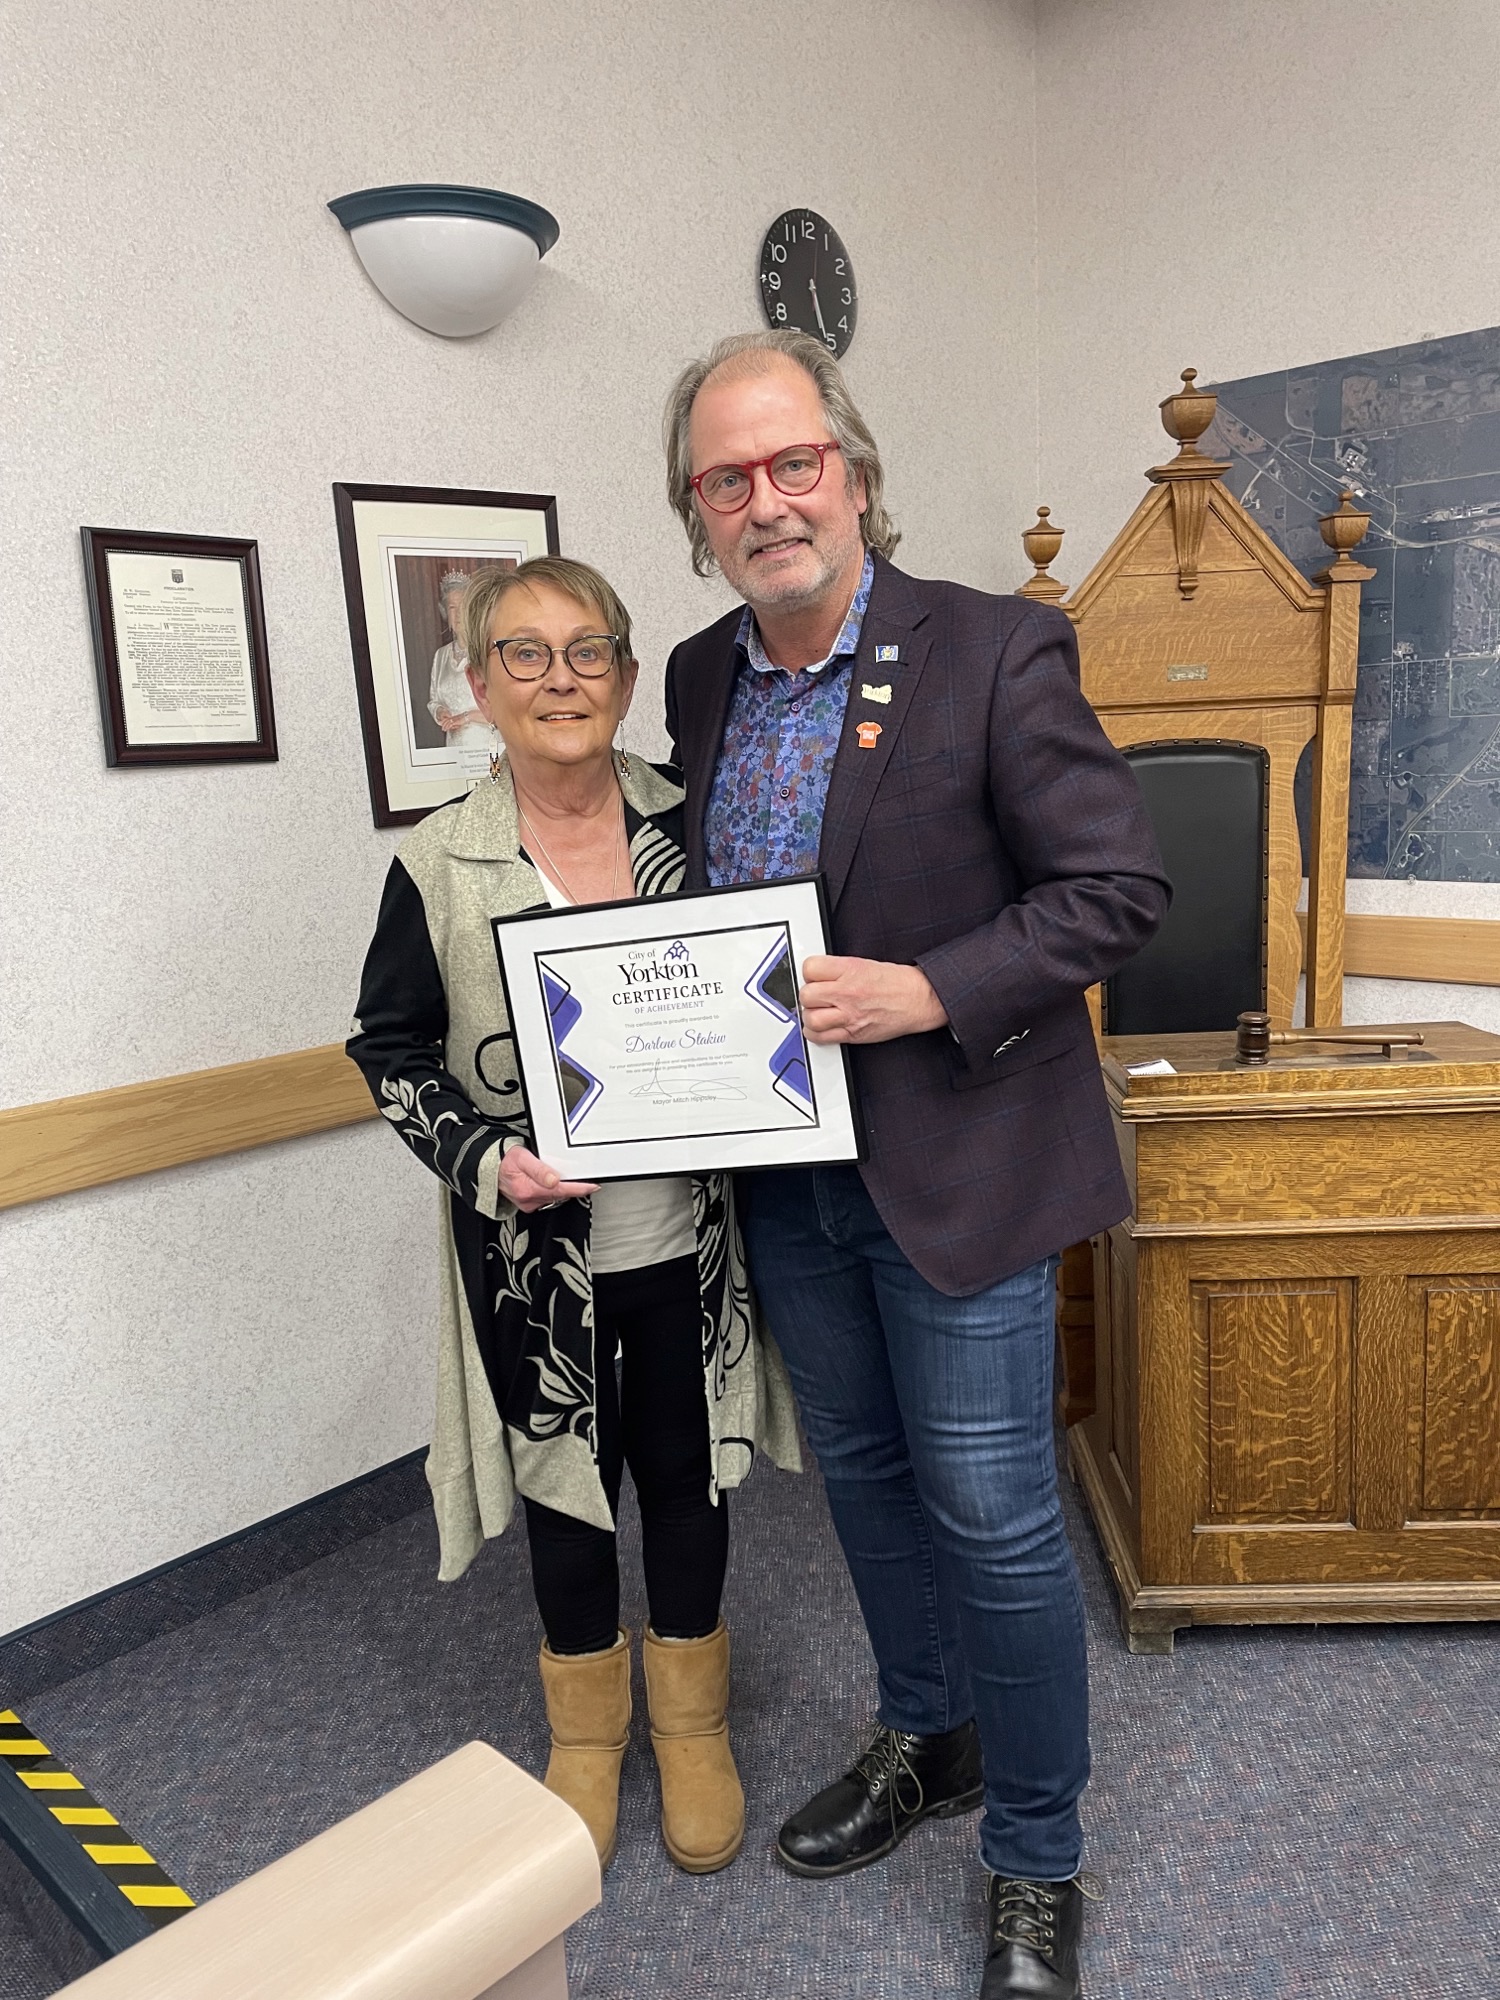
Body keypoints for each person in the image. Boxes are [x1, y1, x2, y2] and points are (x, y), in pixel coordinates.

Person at [660, 331, 1169, 2000]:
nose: (766, 499)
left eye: (793, 462)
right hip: (789, 1178)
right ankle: (928, 1738)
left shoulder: (1000, 649)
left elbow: (1113, 891)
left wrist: (935, 986)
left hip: (965, 1168)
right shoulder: (698, 678)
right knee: (866, 1490)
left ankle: (1037, 1851)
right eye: (727, 478)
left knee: (1000, 1517)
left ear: (856, 474)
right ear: (697, 515)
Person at [348, 554, 799, 1875]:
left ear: (623, 669)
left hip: (691, 1246)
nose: (560, 679)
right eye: (526, 656)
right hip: (535, 1263)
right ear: (480, 689)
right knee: (569, 1494)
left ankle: (695, 1724)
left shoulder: (695, 819)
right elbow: (390, 1052)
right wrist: (491, 1161)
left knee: (687, 1479)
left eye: (587, 649)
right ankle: (589, 1741)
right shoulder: (438, 863)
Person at [426, 569, 488, 751]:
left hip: (487, 748)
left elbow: (504, 711)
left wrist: (466, 717)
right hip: (454, 748)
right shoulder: (440, 655)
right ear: (445, 612)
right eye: (452, 607)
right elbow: (434, 700)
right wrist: (440, 713)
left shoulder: (487, 651)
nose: (459, 613)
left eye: (463, 606)